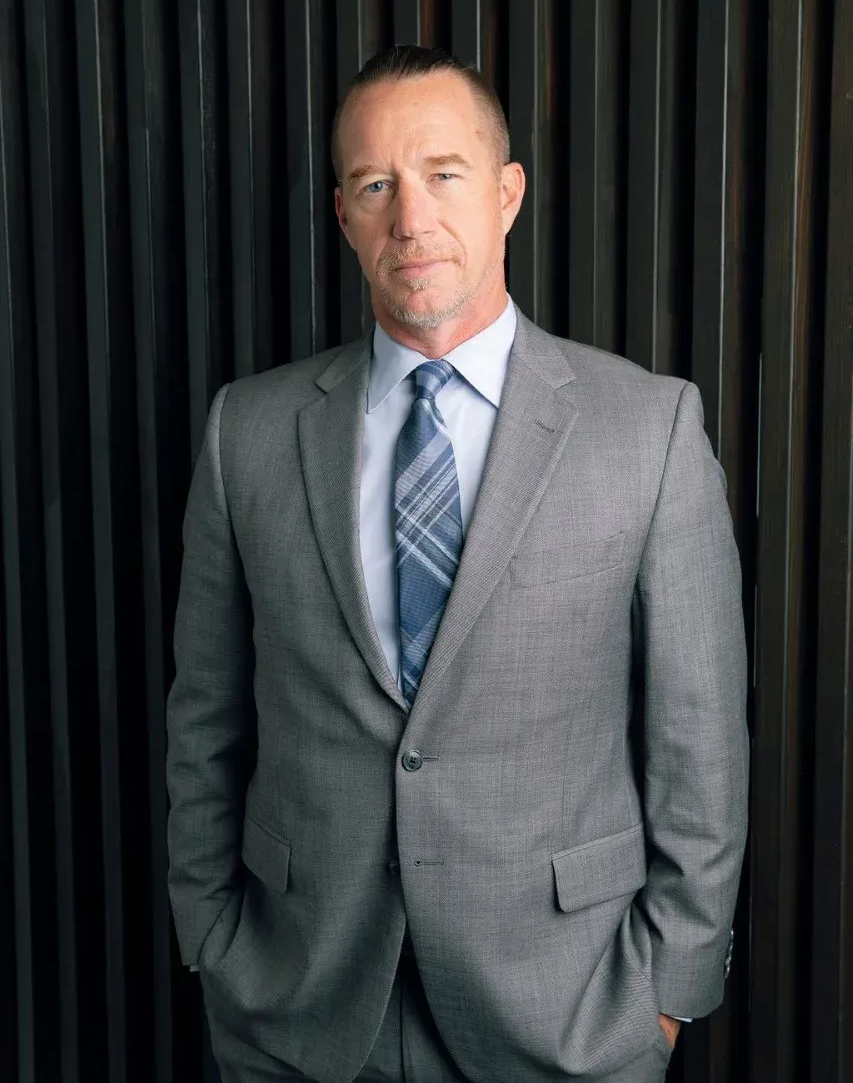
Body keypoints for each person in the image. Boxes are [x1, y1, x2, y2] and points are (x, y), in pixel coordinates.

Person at [166, 44, 749, 1083]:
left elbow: (698, 743)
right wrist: (208, 933)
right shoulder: (244, 433)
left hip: (570, 1015)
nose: (412, 217)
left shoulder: (646, 428)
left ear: (507, 194)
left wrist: (669, 991)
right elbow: (205, 713)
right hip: (296, 1009)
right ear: (343, 214)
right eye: (375, 184)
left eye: (443, 174)